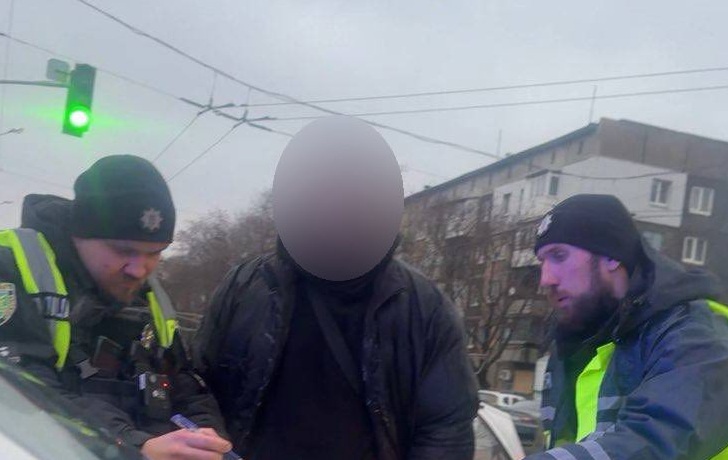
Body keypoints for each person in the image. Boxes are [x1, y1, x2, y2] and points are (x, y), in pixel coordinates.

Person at [194, 116, 478, 460]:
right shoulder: (244, 287)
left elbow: (446, 433)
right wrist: (211, 446)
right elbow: (196, 388)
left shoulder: (426, 309)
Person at [0, 155, 231, 459]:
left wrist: (205, 440)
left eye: (155, 253)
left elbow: (184, 385)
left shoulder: (150, 298)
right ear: (79, 234)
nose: (139, 269)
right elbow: (21, 393)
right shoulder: (12, 269)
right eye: (124, 250)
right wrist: (132, 446)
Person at [527, 194, 728, 460]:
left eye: (559, 256)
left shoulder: (694, 334)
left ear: (612, 256)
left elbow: (654, 441)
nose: (546, 279)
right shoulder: (570, 347)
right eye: (542, 262)